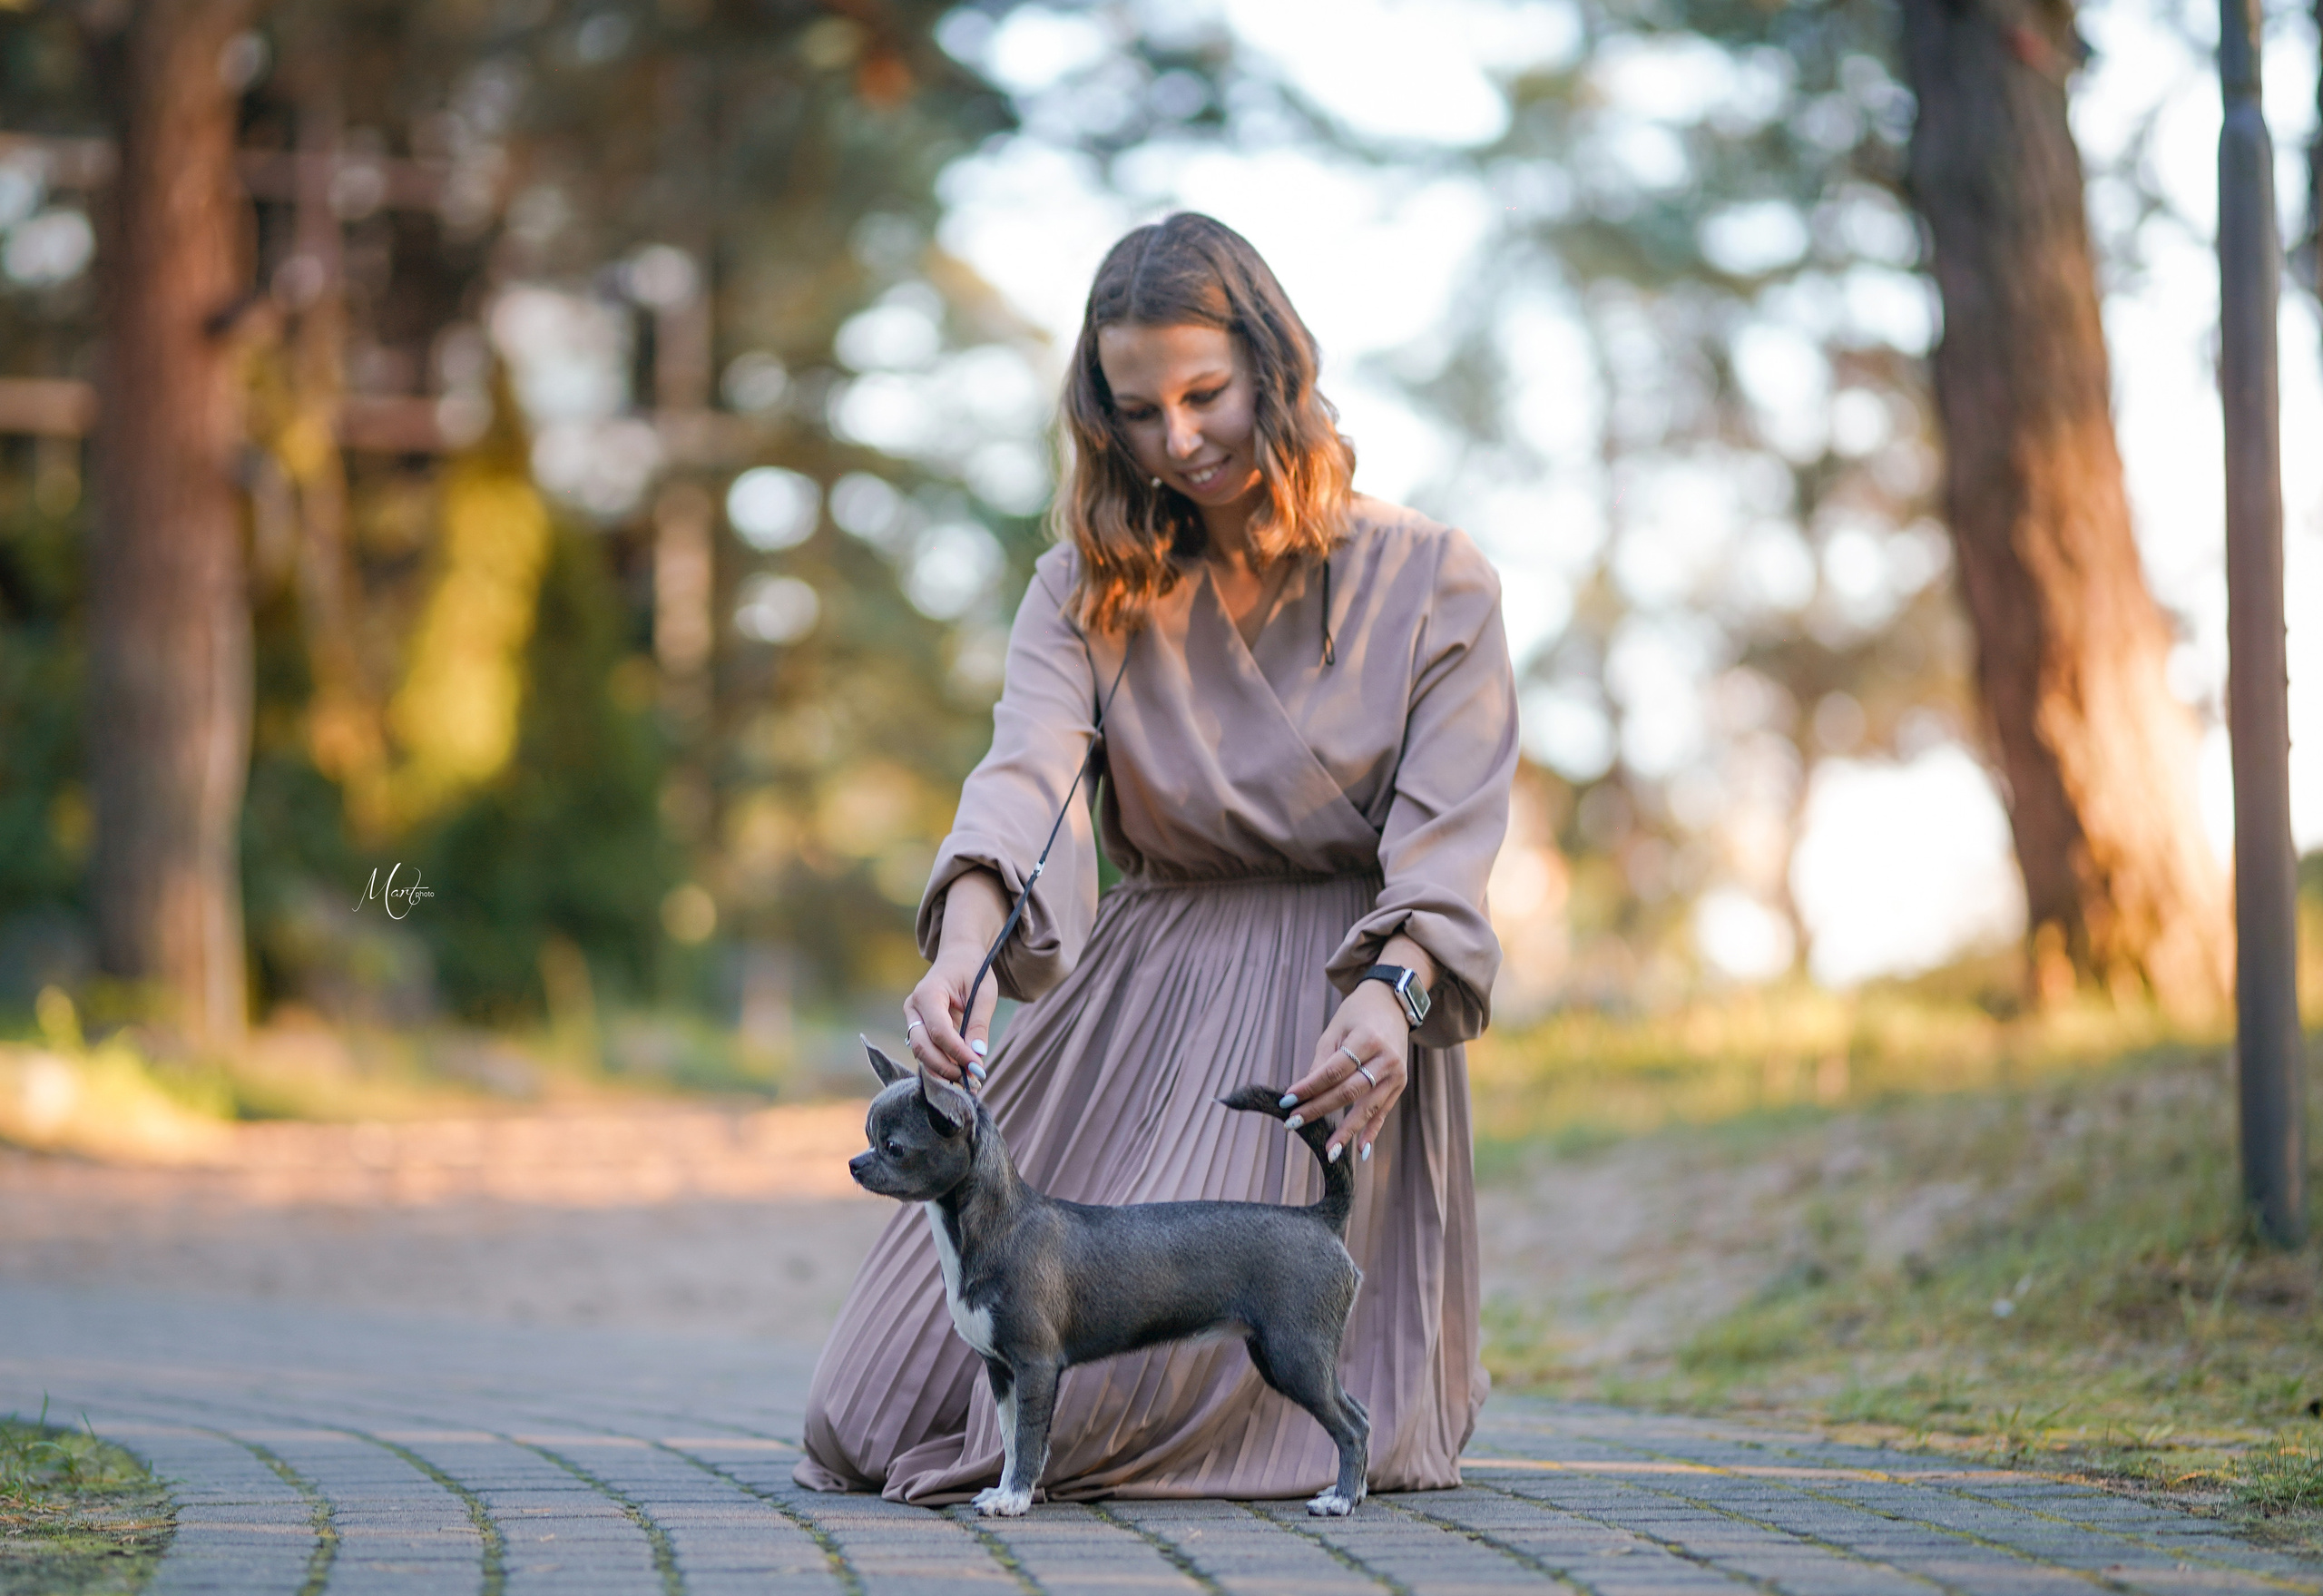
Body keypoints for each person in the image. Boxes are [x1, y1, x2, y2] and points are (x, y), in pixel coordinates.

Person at [795, 211, 1519, 1504]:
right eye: (1138, 411)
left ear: (1275, 372)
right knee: (872, 1415)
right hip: (1143, 990)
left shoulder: (1434, 579)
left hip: (1337, 1010)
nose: (1178, 442)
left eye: (1207, 395)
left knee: (1160, 1395)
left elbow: (1451, 838)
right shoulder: (1085, 585)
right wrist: (965, 944)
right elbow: (1026, 774)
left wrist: (1395, 993)